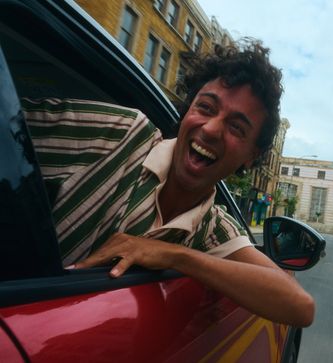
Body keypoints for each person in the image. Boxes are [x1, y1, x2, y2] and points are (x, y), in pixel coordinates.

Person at [23, 40, 314, 327]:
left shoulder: (212, 229)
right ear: (187, 110)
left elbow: (299, 305)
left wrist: (175, 256)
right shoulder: (122, 133)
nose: (211, 129)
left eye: (236, 127)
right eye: (205, 107)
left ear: (252, 156)